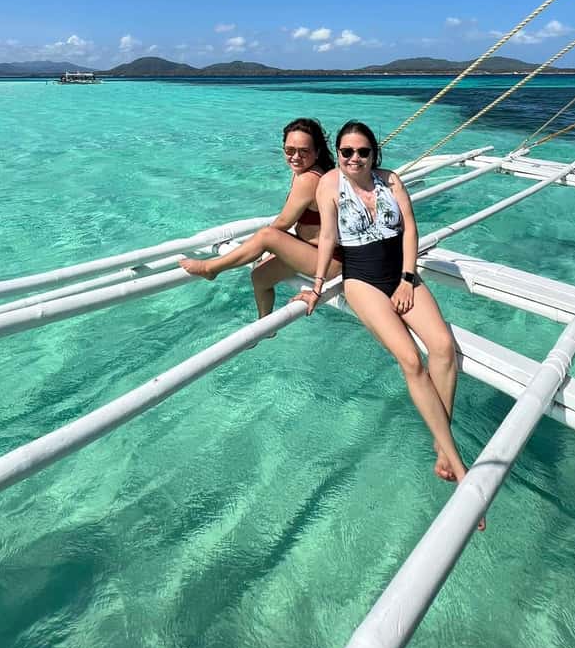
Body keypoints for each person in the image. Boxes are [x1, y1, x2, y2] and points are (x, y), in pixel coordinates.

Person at [294, 120, 483, 527]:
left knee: (443, 349)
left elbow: (410, 228)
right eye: (347, 152)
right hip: (362, 280)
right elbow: (327, 238)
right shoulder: (328, 184)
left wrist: (408, 279)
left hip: (399, 275)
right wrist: (317, 286)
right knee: (412, 361)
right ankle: (456, 462)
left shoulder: (390, 180)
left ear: (373, 153)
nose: (354, 159)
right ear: (338, 154)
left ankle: (441, 442)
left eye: (362, 152)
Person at [179, 118, 343, 318]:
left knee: (266, 235)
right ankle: (266, 326)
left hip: (331, 261)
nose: (295, 157)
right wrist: (261, 249)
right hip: (309, 249)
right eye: (289, 150)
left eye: (304, 151)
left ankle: (210, 268)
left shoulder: (309, 178)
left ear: (317, 152)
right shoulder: (306, 172)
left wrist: (259, 246)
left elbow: (283, 223)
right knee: (260, 277)